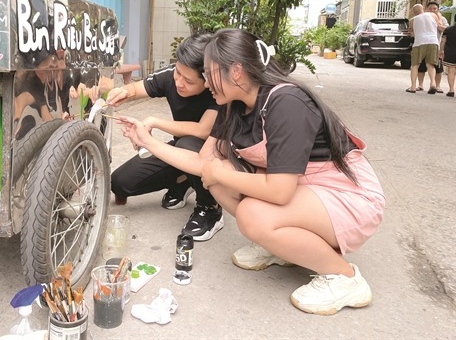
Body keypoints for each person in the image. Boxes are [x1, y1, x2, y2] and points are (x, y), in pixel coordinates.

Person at [119, 28, 386, 315]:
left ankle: (344, 278)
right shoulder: (232, 104)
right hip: (305, 188)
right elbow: (201, 163)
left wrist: (219, 173)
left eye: (209, 73)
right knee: (218, 181)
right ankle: (281, 246)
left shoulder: (286, 102)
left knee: (249, 211)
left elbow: (279, 191)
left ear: (236, 72)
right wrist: (148, 141)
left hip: (345, 195)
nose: (206, 82)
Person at [106, 34, 223, 241]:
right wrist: (121, 92)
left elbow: (203, 130)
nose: (178, 81)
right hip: (181, 150)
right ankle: (186, 179)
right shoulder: (172, 76)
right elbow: (135, 88)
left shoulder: (220, 91)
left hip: (212, 157)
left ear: (208, 81)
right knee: (120, 183)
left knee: (188, 143)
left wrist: (154, 121)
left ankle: (209, 208)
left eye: (188, 80)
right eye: (177, 72)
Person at [407, 4, 442, 93]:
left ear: (414, 12)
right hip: (433, 41)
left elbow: (413, 34)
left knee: (415, 65)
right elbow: (439, 26)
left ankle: (413, 86)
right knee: (430, 64)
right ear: (423, 9)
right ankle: (433, 84)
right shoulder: (433, 15)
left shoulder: (412, 20)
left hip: (419, 42)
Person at [416, 1, 449, 92]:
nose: (432, 10)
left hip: (436, 45)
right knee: (421, 66)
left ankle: (437, 86)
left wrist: (437, 22)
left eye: (434, 9)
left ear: (438, 10)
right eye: (430, 8)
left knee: (438, 67)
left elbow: (446, 30)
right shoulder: (422, 18)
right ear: (426, 9)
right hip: (422, 44)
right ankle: (420, 85)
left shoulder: (442, 19)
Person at [440, 12, 456, 97]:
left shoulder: (448, 29)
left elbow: (443, 41)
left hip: (450, 53)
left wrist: (441, 51)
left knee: (451, 71)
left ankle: (451, 90)